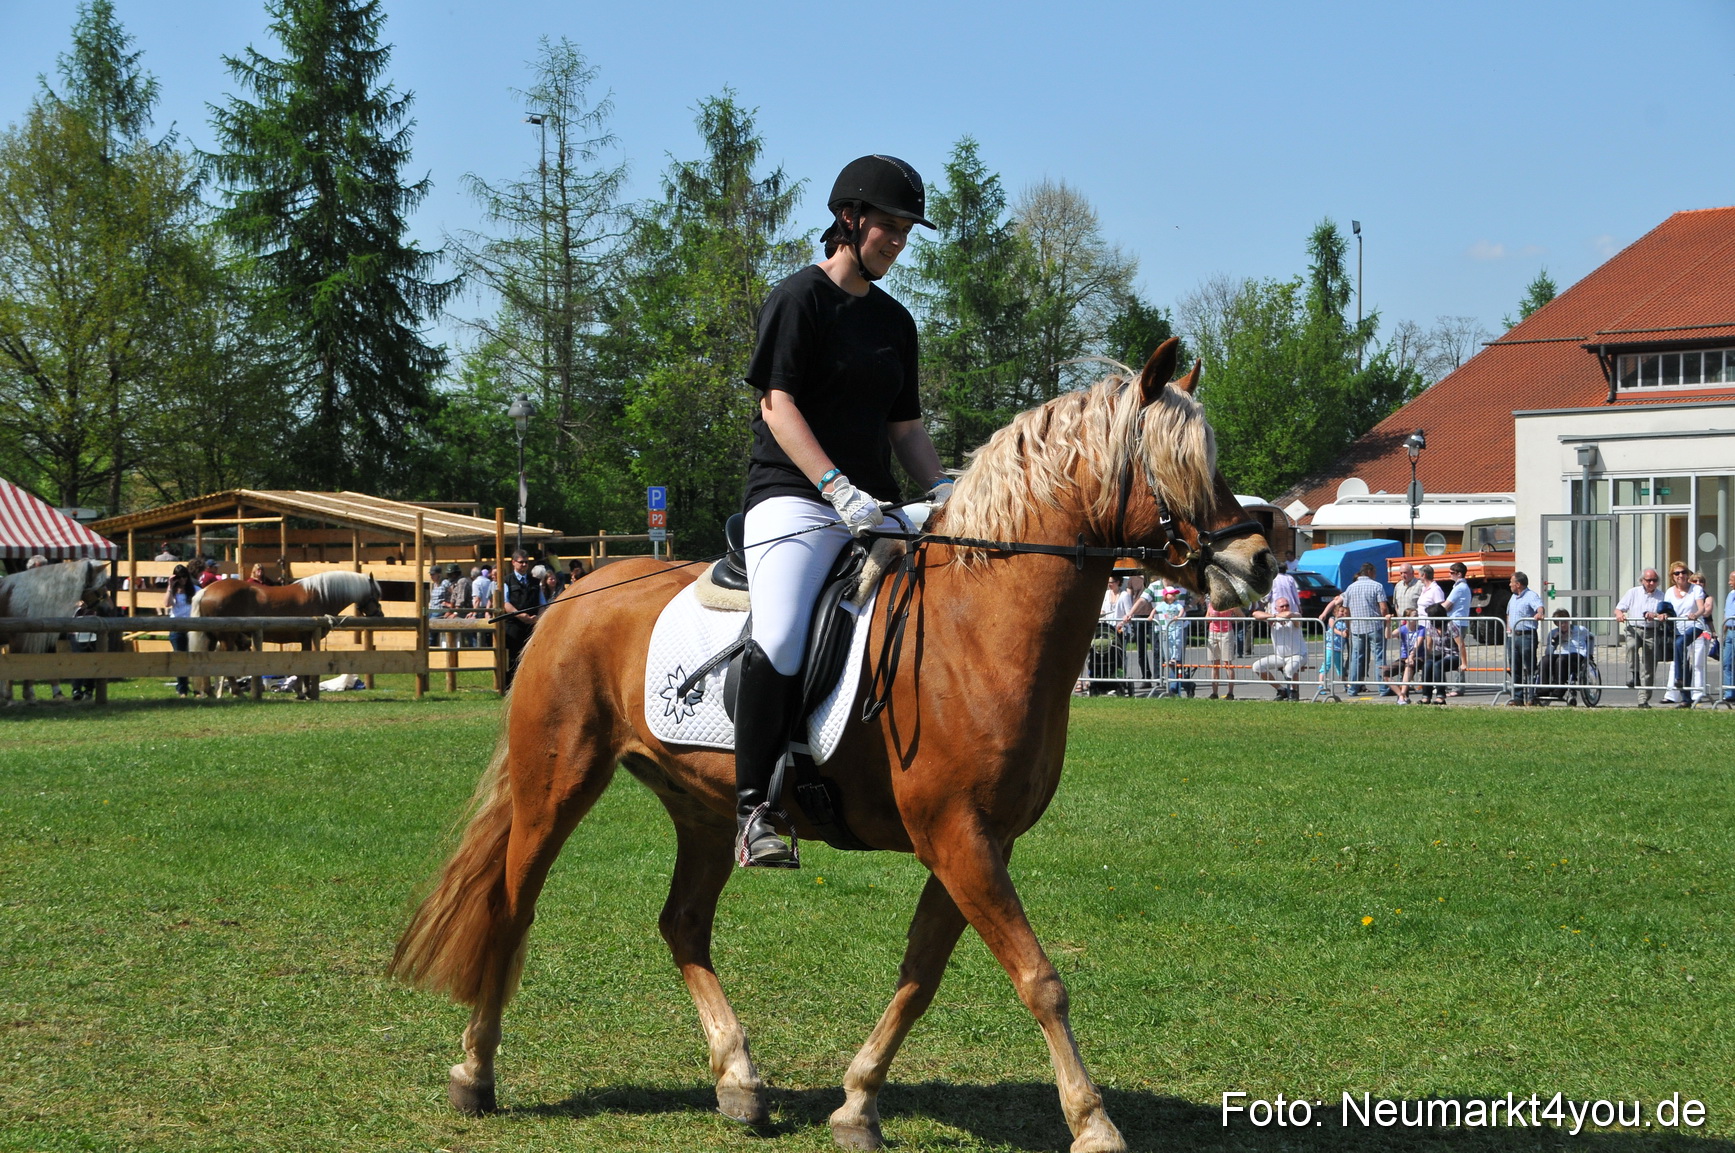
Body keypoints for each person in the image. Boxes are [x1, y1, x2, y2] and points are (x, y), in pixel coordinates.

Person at [733, 154, 948, 867]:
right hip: (793, 502)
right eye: (890, 224)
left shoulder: (895, 322)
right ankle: (752, 806)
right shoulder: (797, 299)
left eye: (906, 229)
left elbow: (905, 429)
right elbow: (776, 403)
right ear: (849, 219)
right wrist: (834, 485)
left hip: (874, 506)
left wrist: (942, 491)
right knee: (785, 634)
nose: (899, 240)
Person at [1613, 569, 1664, 707]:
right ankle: (1634, 673)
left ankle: (1643, 700)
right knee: (1631, 646)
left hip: (1652, 631)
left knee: (1648, 667)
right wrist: (1619, 614)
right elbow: (1619, 608)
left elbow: (1665, 614)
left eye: (1654, 580)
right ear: (1642, 581)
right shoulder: (1633, 592)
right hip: (1633, 629)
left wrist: (1657, 615)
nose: (1651, 583)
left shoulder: (1662, 596)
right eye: (1648, 580)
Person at [1340, 563, 1390, 696]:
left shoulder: (1350, 588)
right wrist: (1386, 621)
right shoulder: (1377, 586)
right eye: (1374, 572)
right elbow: (1383, 607)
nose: (1376, 574)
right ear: (1369, 571)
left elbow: (1346, 610)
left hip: (1357, 627)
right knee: (1379, 657)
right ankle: (1383, 688)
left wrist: (1348, 626)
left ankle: (1352, 689)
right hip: (1375, 625)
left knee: (1356, 658)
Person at [1662, 566, 1708, 707]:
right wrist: (1663, 615)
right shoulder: (1670, 592)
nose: (1680, 575)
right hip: (1678, 628)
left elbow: (1702, 607)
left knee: (1679, 644)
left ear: (1688, 574)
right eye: (1677, 573)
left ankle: (1679, 677)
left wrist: (1696, 614)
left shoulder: (1696, 589)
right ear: (1672, 576)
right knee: (1683, 661)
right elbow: (1666, 609)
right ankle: (1686, 698)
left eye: (1683, 572)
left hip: (1695, 626)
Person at [1251, 595, 1305, 699]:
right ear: (1276, 608)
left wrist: (1278, 617)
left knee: (1289, 669)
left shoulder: (1295, 615)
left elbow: (1288, 614)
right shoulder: (1272, 617)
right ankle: (1281, 690)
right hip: (1280, 656)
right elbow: (1255, 613)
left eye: (1287, 605)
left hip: (1298, 655)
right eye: (1282, 606)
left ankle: (1294, 692)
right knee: (1257, 667)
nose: (1285, 608)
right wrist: (1273, 617)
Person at [1504, 572, 1545, 705]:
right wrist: (1508, 628)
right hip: (1513, 636)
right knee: (1515, 667)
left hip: (1527, 635)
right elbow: (1509, 613)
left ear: (1518, 584)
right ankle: (1518, 697)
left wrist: (1540, 613)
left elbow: (1539, 607)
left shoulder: (1531, 595)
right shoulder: (1513, 597)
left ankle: (1532, 697)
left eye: (1511, 582)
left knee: (1530, 667)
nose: (1510, 584)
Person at [501, 550, 542, 684]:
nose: (524, 565)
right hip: (513, 625)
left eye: (526, 562)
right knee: (514, 656)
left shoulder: (535, 582)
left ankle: (529, 683)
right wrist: (520, 615)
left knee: (532, 655)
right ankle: (511, 684)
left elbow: (543, 603)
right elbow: (505, 603)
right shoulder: (507, 580)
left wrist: (538, 618)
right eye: (521, 562)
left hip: (532, 624)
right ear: (513, 563)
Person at [1543, 608, 1592, 703]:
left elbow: (1591, 637)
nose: (1563, 625)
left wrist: (1589, 654)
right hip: (1561, 653)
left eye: (1565, 622)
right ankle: (1542, 689)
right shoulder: (1553, 633)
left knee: (1561, 660)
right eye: (1560, 623)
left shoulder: (1580, 630)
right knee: (1545, 659)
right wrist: (1555, 641)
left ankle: (1559, 689)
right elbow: (1549, 651)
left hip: (1577, 653)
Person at [164, 564, 196, 698]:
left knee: (193, 658)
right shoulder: (173, 591)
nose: (183, 580)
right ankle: (182, 689)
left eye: (185, 576)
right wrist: (170, 586)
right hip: (176, 628)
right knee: (180, 657)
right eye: (180, 577)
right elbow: (167, 603)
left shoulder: (195, 590)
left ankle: (197, 688)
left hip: (192, 628)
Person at [1443, 561, 1473, 695]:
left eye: (1451, 573)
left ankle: (1457, 687)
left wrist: (1434, 611)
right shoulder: (1461, 587)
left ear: (1459, 574)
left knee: (1456, 653)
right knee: (1452, 653)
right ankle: (1448, 685)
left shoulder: (1459, 587)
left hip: (1457, 622)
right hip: (1459, 622)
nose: (1449, 575)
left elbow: (1447, 605)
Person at [1204, 600, 1241, 699]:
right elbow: (1206, 618)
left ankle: (1230, 692)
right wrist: (1210, 618)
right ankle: (1214, 692)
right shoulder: (1211, 603)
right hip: (1213, 633)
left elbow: (1242, 616)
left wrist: (1232, 619)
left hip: (1226, 633)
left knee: (1227, 663)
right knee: (1215, 664)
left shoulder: (1230, 603)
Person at [1392, 607, 1425, 704]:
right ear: (1407, 617)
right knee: (1386, 672)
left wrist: (1410, 657)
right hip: (1404, 657)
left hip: (1417, 656)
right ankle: (1402, 695)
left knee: (1408, 667)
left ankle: (1401, 697)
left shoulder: (1421, 629)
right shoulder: (1402, 629)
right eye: (1415, 616)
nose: (1417, 618)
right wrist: (1388, 623)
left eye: (1417, 615)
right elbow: (1389, 636)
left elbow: (1417, 644)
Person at [1721, 569, 1734, 706]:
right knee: (1727, 662)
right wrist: (1722, 632)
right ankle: (1729, 693)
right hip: (1730, 631)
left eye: (1731, 579)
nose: (1729, 582)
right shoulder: (1730, 594)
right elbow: (1727, 613)